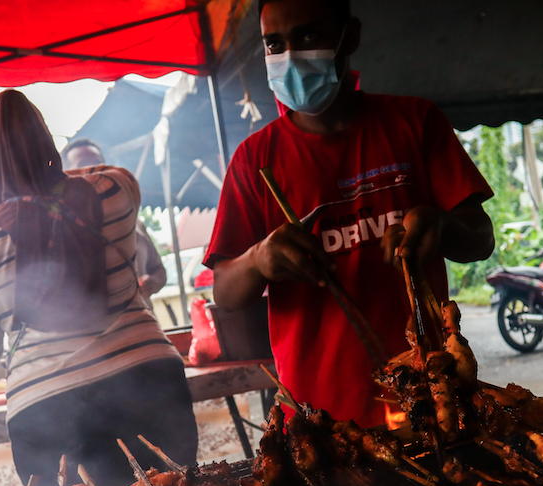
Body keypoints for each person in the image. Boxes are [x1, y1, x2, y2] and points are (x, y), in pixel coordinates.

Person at [204, 0, 495, 428]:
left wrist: (440, 223)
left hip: (429, 397)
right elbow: (225, 293)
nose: (290, 56)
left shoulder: (415, 121)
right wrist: (260, 259)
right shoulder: (254, 161)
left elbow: (480, 238)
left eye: (307, 36)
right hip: (318, 418)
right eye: (274, 44)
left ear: (350, 36)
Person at [0, 90, 199, 486]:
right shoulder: (114, 191)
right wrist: (56, 183)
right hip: (147, 380)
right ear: (49, 139)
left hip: (47, 405)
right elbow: (101, 173)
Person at [61, 138, 167, 297]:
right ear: (68, 174)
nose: (94, 171)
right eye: (83, 165)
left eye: (97, 163)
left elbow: (159, 270)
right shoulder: (63, 226)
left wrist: (153, 282)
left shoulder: (134, 222)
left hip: (143, 318)